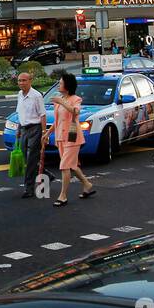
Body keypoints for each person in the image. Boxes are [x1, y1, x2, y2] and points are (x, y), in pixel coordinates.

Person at [50, 73, 95, 207]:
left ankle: (63, 196)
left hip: (72, 136)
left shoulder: (76, 99)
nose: (59, 85)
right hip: (60, 137)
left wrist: (61, 102)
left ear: (67, 85)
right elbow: (57, 121)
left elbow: (75, 112)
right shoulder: (60, 100)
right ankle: (87, 184)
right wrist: (47, 133)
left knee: (64, 166)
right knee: (72, 165)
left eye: (61, 82)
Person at [15, 73, 49, 198]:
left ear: (30, 81)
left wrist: (44, 133)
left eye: (24, 80)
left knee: (31, 160)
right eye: (19, 81)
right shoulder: (19, 94)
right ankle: (47, 175)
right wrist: (18, 128)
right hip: (24, 129)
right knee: (25, 157)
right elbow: (20, 112)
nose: (21, 83)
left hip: (35, 129)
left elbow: (43, 115)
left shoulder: (36, 96)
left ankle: (28, 188)